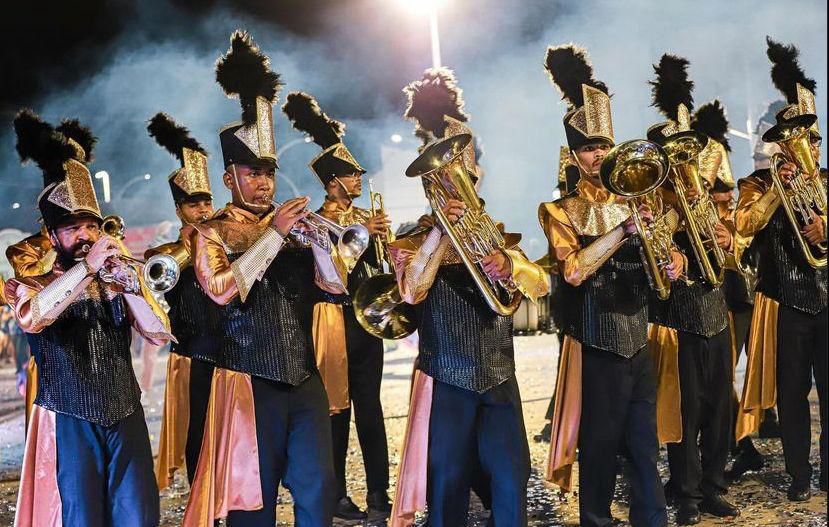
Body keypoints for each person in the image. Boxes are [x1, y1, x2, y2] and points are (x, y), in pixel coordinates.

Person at [182, 30, 347, 527]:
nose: (264, 183)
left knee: (319, 495)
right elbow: (222, 290)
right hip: (246, 381)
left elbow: (336, 287)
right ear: (230, 177)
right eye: (252, 173)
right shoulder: (208, 233)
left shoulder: (294, 226)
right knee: (251, 502)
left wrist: (320, 243)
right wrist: (274, 235)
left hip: (302, 377)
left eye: (269, 173)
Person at [7, 109, 172, 527]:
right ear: (52, 236)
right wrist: (85, 271)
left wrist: (131, 285)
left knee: (139, 517)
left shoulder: (116, 276)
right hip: (69, 418)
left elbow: (158, 334)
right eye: (72, 228)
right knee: (80, 519)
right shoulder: (32, 281)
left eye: (90, 226)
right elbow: (33, 318)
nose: (84, 236)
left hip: (125, 413)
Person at [540, 44, 675, 527]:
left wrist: (673, 258)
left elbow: (663, 257)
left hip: (638, 338)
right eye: (587, 149)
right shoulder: (559, 210)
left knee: (644, 445)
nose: (596, 156)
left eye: (602, 147)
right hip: (596, 341)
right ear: (574, 156)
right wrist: (623, 231)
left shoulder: (639, 196)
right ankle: (595, 520)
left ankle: (652, 520)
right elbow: (573, 269)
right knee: (598, 447)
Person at [283, 91, 393, 519]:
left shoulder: (366, 215)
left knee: (372, 407)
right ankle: (337, 494)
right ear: (332, 182)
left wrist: (378, 237)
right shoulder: (318, 221)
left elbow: (377, 266)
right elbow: (330, 270)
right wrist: (360, 231)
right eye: (351, 175)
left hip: (369, 317)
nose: (358, 180)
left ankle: (380, 493)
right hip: (333, 319)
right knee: (336, 409)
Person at [646, 54, 740, 524]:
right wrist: (679, 210)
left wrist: (726, 235)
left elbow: (731, 252)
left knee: (720, 406)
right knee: (685, 411)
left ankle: (714, 485)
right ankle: (684, 494)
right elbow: (654, 247)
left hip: (715, 310)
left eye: (688, 154)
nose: (685, 165)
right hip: (677, 316)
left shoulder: (706, 196)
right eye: (676, 157)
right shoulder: (655, 197)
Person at [736, 37, 827, 502]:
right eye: (796, 141)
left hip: (826, 297)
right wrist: (777, 190)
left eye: (810, 139)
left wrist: (825, 223)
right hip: (788, 302)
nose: (805, 148)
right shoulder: (755, 183)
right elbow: (744, 224)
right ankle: (798, 474)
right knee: (791, 396)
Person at [145, 112, 217, 488]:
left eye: (206, 203)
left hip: (230, 351)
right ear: (179, 210)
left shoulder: (227, 243)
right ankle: (201, 506)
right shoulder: (165, 253)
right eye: (193, 205)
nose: (203, 210)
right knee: (197, 435)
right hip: (191, 356)